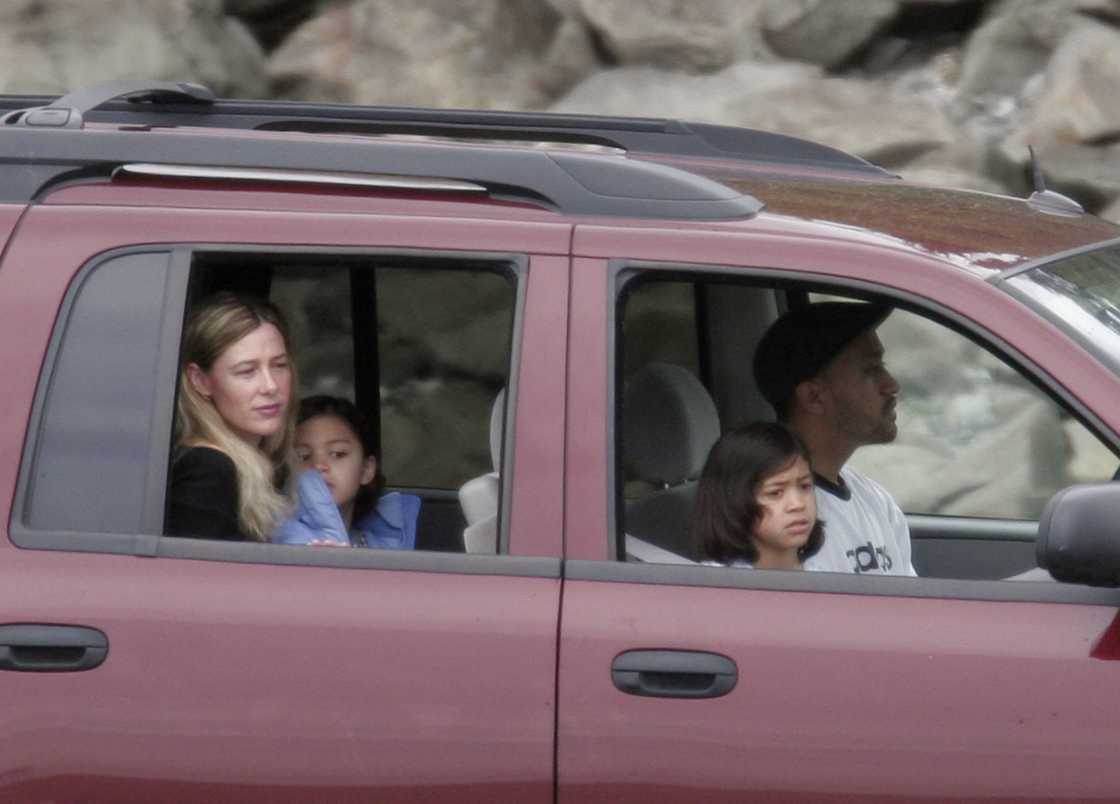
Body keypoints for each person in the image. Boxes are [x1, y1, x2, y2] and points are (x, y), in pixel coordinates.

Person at [753, 301, 916, 575]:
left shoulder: (876, 501)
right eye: (871, 369)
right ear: (814, 397)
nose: (891, 385)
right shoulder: (771, 517)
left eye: (882, 365)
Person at [166, 293, 297, 541]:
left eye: (279, 365)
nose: (270, 386)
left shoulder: (266, 464)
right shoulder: (207, 470)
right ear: (200, 381)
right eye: (247, 371)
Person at [274, 395, 421, 549]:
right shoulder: (284, 538)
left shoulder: (387, 538)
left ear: (366, 469)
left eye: (337, 454)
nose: (318, 465)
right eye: (303, 456)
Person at [692, 421, 824, 569]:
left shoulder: (825, 573)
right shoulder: (713, 580)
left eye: (805, 486)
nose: (798, 504)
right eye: (775, 493)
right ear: (734, 502)